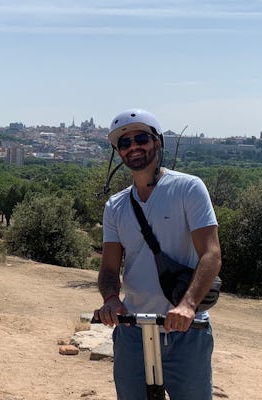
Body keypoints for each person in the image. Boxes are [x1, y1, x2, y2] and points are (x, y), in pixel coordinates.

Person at [94, 108, 222, 400]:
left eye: (141, 138)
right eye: (124, 143)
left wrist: (189, 305)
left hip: (186, 330)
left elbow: (211, 254)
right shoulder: (115, 206)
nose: (133, 147)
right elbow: (109, 270)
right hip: (133, 331)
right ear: (118, 152)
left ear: (157, 142)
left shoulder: (188, 188)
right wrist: (111, 300)